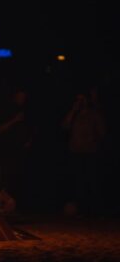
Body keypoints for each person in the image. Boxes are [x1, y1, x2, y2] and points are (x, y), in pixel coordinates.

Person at [62, 87, 105, 216]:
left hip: (89, 152)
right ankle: (76, 209)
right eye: (77, 99)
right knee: (75, 182)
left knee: (89, 181)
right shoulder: (74, 114)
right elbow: (64, 126)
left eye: (82, 99)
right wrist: (73, 110)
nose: (80, 102)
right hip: (75, 151)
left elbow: (102, 132)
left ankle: (90, 210)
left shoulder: (93, 114)